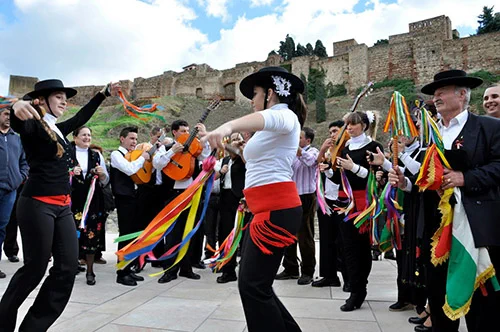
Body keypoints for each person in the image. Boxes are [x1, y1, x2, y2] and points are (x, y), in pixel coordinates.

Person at [0, 79, 119, 331]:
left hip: (63, 206)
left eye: (65, 97)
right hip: (37, 204)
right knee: (35, 268)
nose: (64, 101)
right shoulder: (32, 125)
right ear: (41, 100)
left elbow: (82, 116)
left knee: (66, 268)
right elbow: (20, 120)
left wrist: (103, 93)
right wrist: (17, 105)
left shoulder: (58, 128)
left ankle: (33, 327)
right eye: (58, 96)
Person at [391, 69, 500, 332]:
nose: (436, 97)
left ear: (462, 95)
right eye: (434, 94)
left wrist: (466, 177)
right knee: (439, 301)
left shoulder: (489, 127)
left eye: (442, 91)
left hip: (474, 228)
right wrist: (405, 183)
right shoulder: (431, 135)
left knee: (481, 308)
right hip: (435, 231)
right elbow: (428, 179)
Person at [202, 66, 307, 332]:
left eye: (256, 93)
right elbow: (252, 158)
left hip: (276, 211)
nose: (252, 99)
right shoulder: (270, 127)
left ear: (270, 94)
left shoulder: (285, 117)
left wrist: (227, 125)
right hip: (263, 212)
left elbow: (267, 119)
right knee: (257, 286)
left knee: (252, 286)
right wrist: (229, 146)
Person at [334, 110, 383, 312]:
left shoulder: (373, 147)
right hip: (345, 202)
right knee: (348, 247)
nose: (349, 128)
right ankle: (355, 287)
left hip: (364, 203)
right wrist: (328, 171)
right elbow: (339, 179)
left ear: (364, 125)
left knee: (361, 247)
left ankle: (359, 288)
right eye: (347, 124)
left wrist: (353, 167)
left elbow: (376, 177)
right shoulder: (344, 147)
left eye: (352, 124)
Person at [153, 119, 211, 283]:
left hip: (192, 194)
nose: (186, 134)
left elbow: (206, 156)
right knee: (172, 235)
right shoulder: (165, 148)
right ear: (174, 132)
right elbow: (157, 163)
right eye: (183, 131)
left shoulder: (194, 148)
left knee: (189, 233)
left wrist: (204, 136)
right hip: (173, 195)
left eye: (188, 131)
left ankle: (186, 268)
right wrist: (172, 151)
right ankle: (170, 271)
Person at [275, 127, 317, 285]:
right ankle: (290, 267)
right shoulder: (290, 152)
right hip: (289, 195)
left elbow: (310, 161)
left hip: (305, 196)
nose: (296, 140)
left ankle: (308, 270)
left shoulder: (312, 151)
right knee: (287, 234)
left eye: (299, 137)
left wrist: (295, 148)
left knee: (304, 234)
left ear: (308, 140)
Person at [70, 126, 109, 285]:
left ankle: (90, 271)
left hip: (92, 200)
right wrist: (71, 171)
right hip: (72, 199)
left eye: (89, 135)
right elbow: (58, 174)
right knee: (70, 233)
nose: (87, 138)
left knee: (91, 233)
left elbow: (105, 181)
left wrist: (102, 174)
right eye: (84, 135)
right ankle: (70, 266)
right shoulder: (67, 153)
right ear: (75, 137)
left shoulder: (96, 155)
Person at [110, 126, 148, 286]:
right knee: (125, 235)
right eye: (132, 138)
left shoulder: (132, 155)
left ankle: (129, 267)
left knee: (133, 235)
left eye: (136, 139)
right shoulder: (116, 155)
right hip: (124, 199)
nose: (134, 142)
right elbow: (129, 169)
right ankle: (122, 272)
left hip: (134, 198)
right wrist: (144, 157)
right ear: (122, 138)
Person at [312, 120, 345, 288]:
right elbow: (317, 164)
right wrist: (324, 149)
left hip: (344, 200)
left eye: (335, 131)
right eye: (330, 131)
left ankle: (348, 277)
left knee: (343, 241)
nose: (332, 134)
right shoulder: (329, 151)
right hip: (326, 200)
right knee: (326, 240)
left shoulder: (346, 150)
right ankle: (328, 275)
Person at [0, 107, 28, 276]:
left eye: (11, 115)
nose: (9, 118)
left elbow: (24, 162)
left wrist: (20, 177)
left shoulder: (17, 139)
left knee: (2, 227)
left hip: (10, 190)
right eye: (5, 114)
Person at [216, 132, 246, 283]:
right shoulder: (225, 160)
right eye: (232, 139)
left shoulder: (244, 157)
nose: (234, 142)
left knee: (240, 235)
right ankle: (227, 269)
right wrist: (220, 172)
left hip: (240, 199)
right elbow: (215, 176)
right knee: (225, 234)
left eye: (237, 139)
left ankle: (244, 269)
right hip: (225, 198)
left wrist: (239, 149)